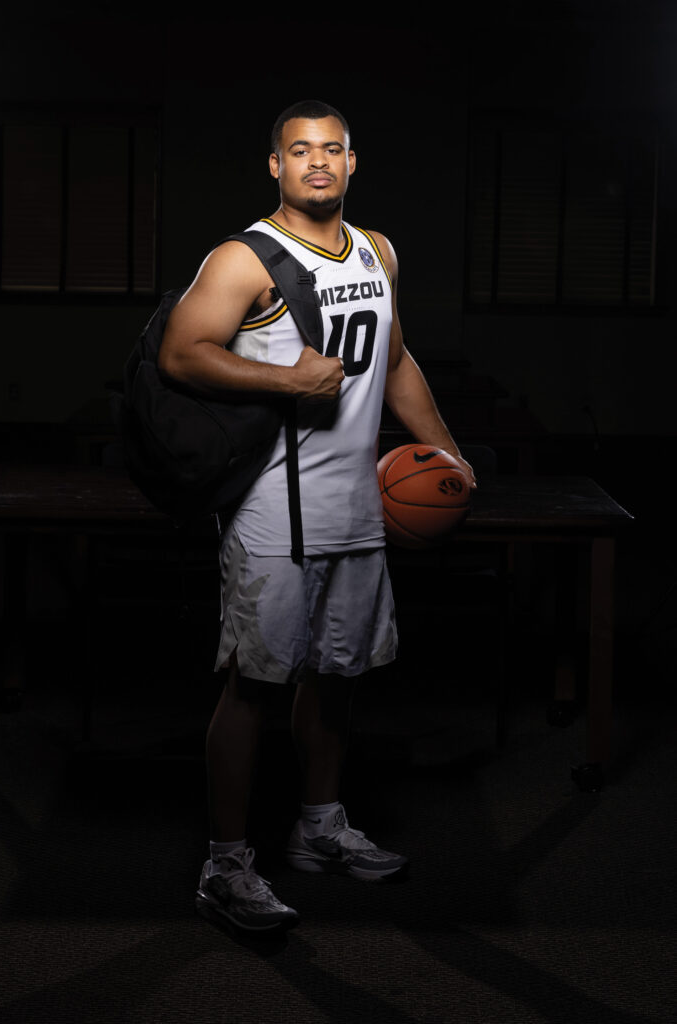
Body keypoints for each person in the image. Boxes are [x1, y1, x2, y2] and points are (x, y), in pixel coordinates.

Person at [158, 100, 475, 934]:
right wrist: (285, 381)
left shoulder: (378, 251)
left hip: (357, 503)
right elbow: (181, 352)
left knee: (335, 677)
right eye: (300, 151)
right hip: (271, 508)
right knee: (254, 685)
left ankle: (319, 828)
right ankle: (225, 867)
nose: (317, 163)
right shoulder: (242, 257)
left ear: (352, 161)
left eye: (331, 149)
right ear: (276, 166)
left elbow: (394, 356)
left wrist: (444, 453)